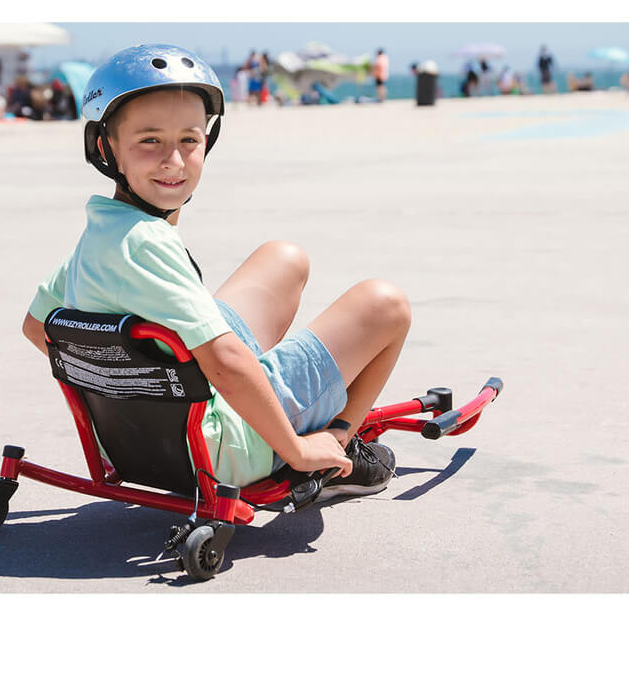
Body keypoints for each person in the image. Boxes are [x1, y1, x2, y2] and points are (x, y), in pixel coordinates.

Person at [21, 44, 408, 499]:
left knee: (284, 258)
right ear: (107, 148)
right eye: (150, 141)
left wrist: (130, 389)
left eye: (189, 140)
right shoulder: (148, 245)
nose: (174, 160)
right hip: (224, 449)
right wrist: (297, 450)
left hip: (138, 446)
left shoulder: (103, 234)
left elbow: (36, 326)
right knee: (387, 303)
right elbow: (225, 364)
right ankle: (338, 441)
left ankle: (289, 420)